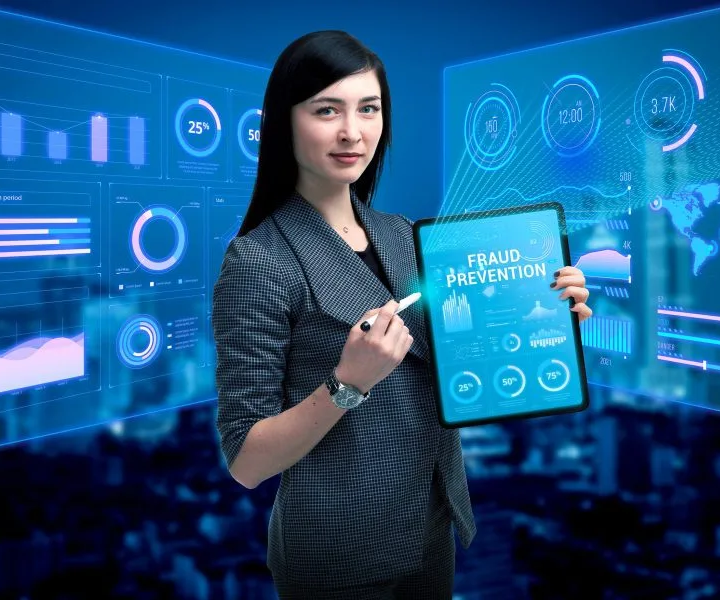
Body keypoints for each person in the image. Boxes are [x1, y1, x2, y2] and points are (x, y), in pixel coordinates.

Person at [212, 30, 594, 599]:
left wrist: (548, 321)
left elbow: (459, 372)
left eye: (369, 109)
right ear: (283, 122)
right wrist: (347, 384)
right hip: (336, 553)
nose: (353, 131)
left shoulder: (403, 235)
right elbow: (245, 459)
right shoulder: (259, 260)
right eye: (326, 110)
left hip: (430, 530)